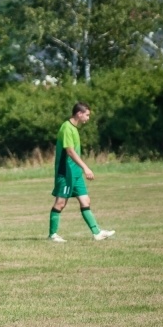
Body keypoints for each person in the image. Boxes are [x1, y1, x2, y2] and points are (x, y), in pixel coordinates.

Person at [48, 102, 115, 242]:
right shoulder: (66, 128)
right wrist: (86, 167)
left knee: (85, 201)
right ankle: (52, 235)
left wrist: (80, 169)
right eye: (87, 115)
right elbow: (70, 151)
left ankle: (97, 233)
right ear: (79, 113)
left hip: (76, 173)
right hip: (66, 173)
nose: (88, 118)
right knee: (60, 203)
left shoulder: (74, 128)